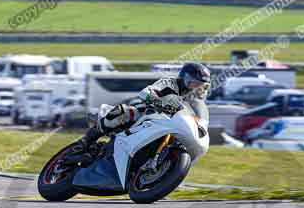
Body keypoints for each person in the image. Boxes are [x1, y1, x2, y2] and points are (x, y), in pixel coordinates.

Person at [80, 62, 211, 148]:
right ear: (185, 78)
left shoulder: (194, 99)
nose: (197, 88)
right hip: (147, 113)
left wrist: (201, 122)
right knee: (125, 112)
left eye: (201, 86)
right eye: (195, 83)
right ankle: (87, 140)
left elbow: (198, 114)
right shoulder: (170, 83)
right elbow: (146, 93)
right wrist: (160, 103)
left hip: (170, 124)